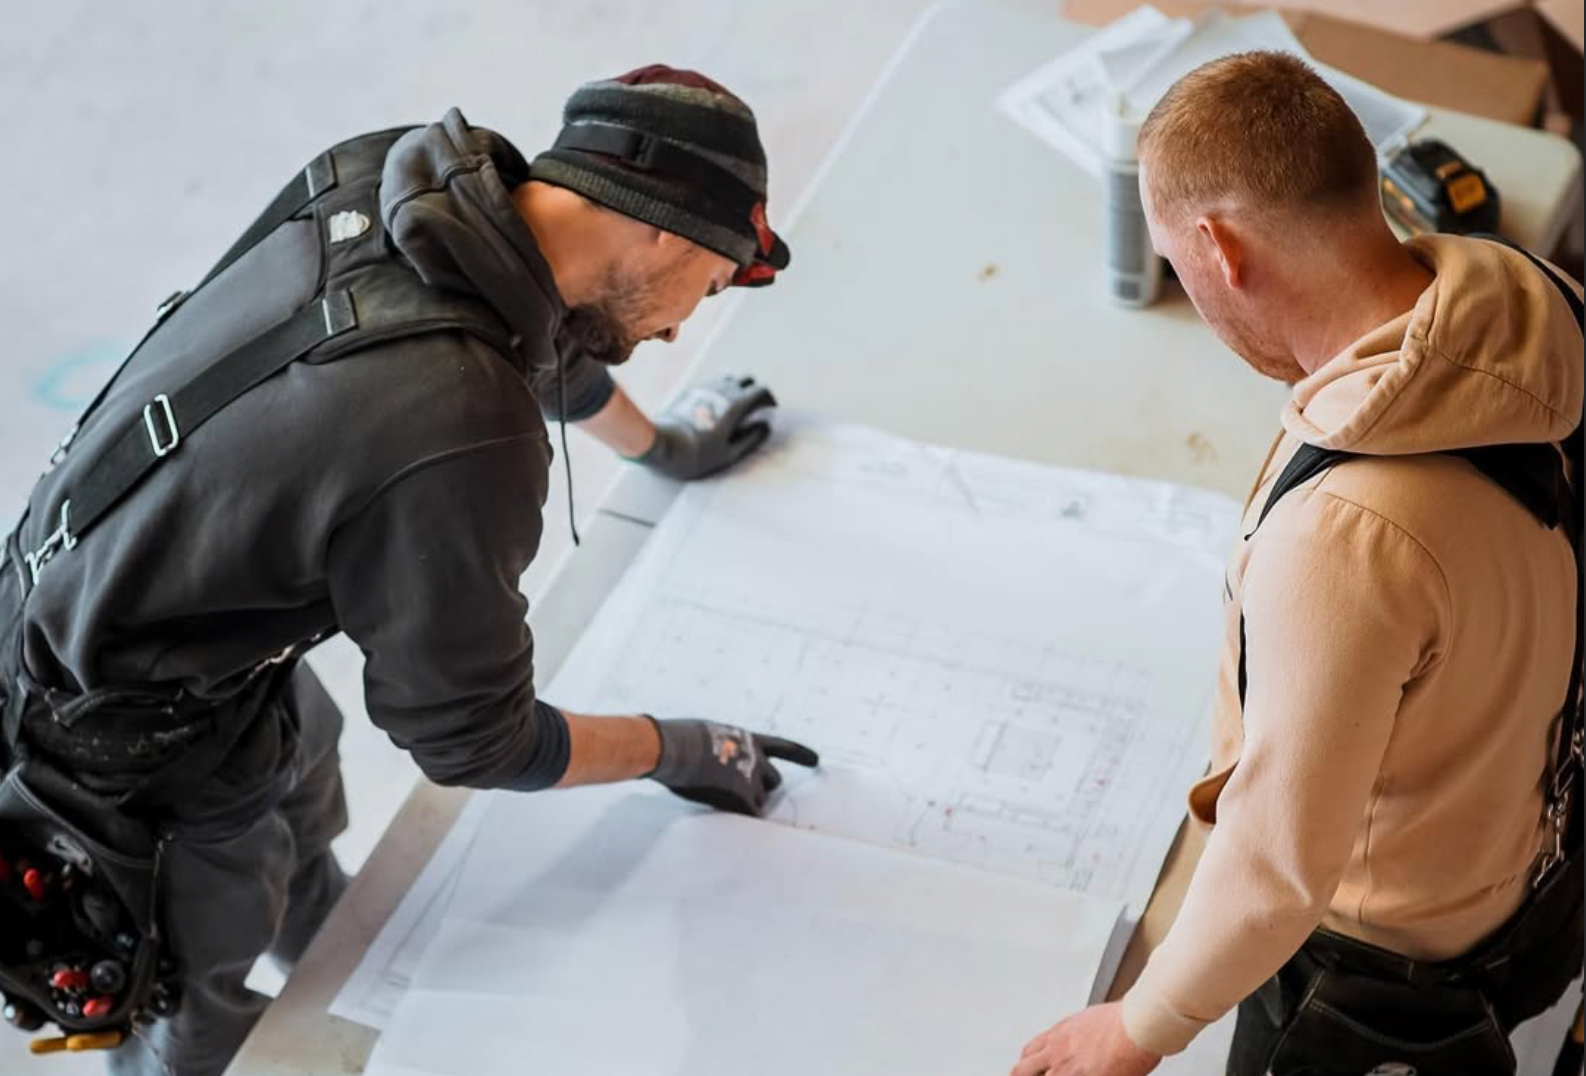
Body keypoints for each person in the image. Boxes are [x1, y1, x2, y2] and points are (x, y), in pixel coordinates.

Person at [0, 65, 816, 1076]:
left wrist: (663, 449)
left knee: (303, 825)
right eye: (710, 283)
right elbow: (475, 736)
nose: (682, 327)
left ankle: (335, 964)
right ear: (662, 232)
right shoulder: (463, 423)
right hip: (132, 756)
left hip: (138, 600)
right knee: (200, 1014)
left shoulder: (397, 174)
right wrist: (681, 747)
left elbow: (544, 338)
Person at [1010, 51, 1582, 1076]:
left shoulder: (1344, 537)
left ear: (1219, 250)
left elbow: (1276, 869)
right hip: (1538, 854)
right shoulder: (1538, 309)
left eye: (1176, 263)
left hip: (1389, 970)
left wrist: (1135, 1026)